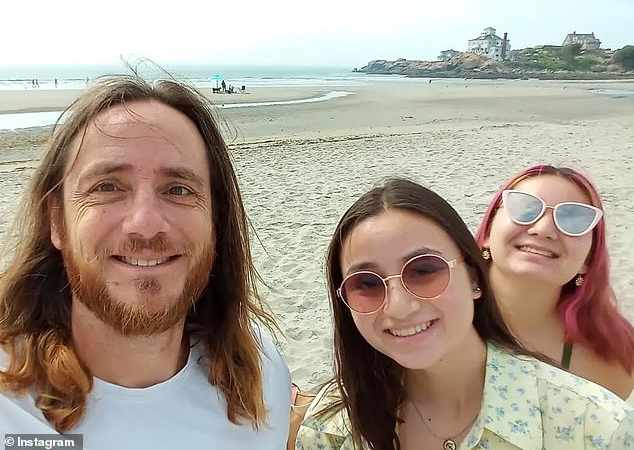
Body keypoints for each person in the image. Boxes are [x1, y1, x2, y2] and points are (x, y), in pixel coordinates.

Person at [0, 75, 291, 448]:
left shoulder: (261, 373)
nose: (146, 223)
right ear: (57, 221)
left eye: (178, 189)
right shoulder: (14, 411)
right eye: (107, 187)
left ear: (215, 222)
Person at [296, 178, 633, 450]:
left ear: (474, 276)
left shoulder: (596, 427)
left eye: (425, 270)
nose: (398, 306)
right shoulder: (330, 427)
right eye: (367, 284)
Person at [475, 165, 634, 399]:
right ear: (488, 231)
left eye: (574, 219)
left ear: (588, 260)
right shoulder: (434, 316)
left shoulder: (611, 358)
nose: (544, 229)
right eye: (525, 207)